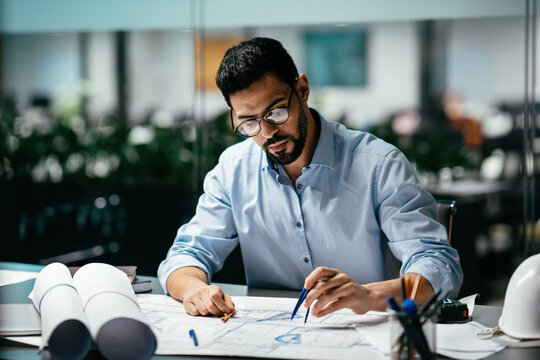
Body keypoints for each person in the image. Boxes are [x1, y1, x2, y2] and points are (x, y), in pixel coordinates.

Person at [158, 37, 463, 318]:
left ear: (302, 90)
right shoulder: (232, 170)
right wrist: (195, 289)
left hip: (369, 336)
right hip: (272, 338)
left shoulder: (379, 165)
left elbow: (439, 267)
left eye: (276, 112)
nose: (267, 133)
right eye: (248, 122)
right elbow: (186, 255)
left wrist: (367, 294)